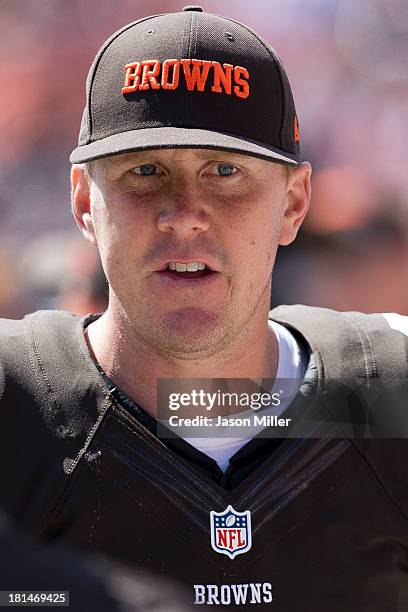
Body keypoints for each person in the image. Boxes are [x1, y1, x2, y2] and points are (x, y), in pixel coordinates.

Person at [1, 6, 408, 611]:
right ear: (85, 200)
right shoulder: (15, 403)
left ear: (295, 203)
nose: (184, 212)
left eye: (225, 171)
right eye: (145, 171)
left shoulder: (390, 393)